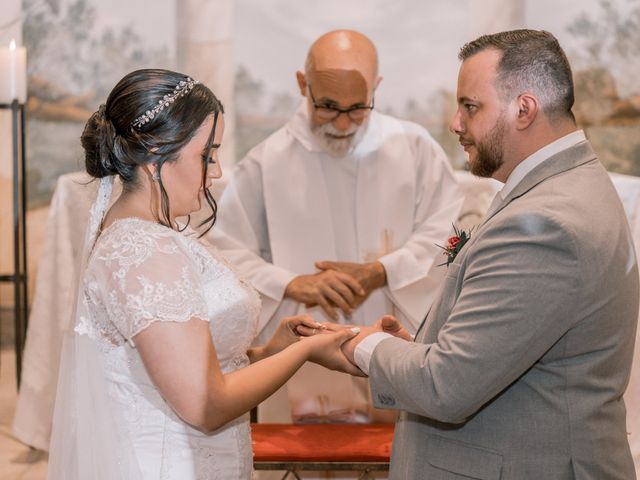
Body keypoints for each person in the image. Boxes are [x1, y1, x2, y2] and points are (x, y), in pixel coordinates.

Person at [336, 30, 639, 479]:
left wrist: (362, 346)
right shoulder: (567, 185)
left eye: (470, 106)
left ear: (524, 109)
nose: (456, 123)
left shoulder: (546, 222)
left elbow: (447, 385)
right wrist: (413, 352)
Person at [46, 68, 368, 480]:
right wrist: (302, 353)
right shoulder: (143, 251)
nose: (215, 172)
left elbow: (179, 363)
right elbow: (204, 406)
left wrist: (270, 351)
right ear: (156, 154)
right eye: (207, 154)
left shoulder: (154, 237)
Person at [210, 30, 463, 424]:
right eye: (328, 106)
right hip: (301, 351)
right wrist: (291, 283)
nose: (343, 123)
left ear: (376, 88)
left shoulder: (415, 149)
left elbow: (449, 234)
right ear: (302, 85)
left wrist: (383, 272)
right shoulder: (266, 162)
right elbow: (223, 251)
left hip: (392, 345)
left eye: (357, 107)